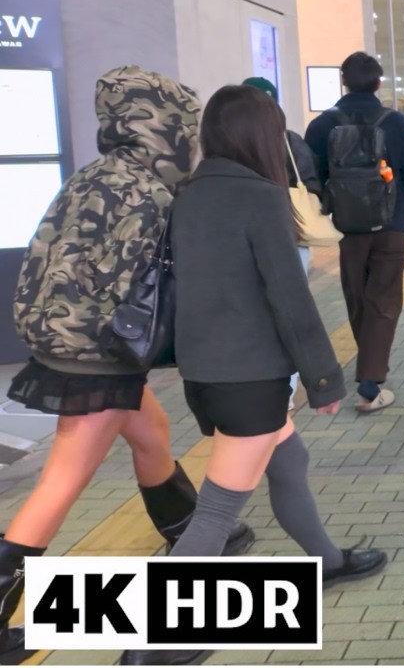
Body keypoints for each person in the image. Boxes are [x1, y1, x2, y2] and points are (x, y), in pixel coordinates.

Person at [121, 84, 388, 665]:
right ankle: (162, 639)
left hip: (205, 374)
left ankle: (327, 562)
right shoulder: (263, 198)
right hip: (251, 378)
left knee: (288, 461)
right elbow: (289, 299)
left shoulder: (185, 195)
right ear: (265, 136)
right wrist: (324, 381)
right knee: (218, 509)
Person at [3, 67, 253, 665]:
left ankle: (191, 532)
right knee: (62, 481)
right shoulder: (150, 191)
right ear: (164, 126)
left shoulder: (92, 176)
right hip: (98, 355)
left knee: (151, 431)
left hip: (61, 339)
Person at [304, 51, 404, 413]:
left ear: (343, 81)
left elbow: (312, 177)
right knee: (384, 302)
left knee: (357, 298)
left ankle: (369, 371)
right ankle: (370, 381)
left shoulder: (322, 125)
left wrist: (333, 208)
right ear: (378, 83)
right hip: (391, 229)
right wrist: (401, 212)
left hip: (348, 231)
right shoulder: (397, 124)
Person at [242, 76, 324, 412]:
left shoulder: (232, 149)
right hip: (291, 238)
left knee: (253, 311)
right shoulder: (290, 142)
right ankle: (286, 391)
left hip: (244, 246)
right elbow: (314, 185)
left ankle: (261, 383)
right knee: (290, 309)